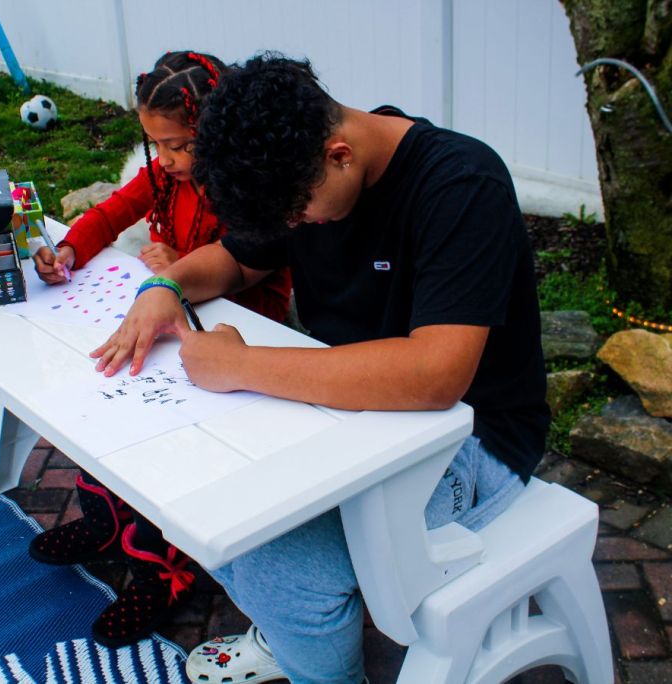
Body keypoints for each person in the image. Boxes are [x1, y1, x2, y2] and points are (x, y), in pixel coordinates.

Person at [90, 54, 549, 683]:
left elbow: (436, 376)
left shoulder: (461, 185)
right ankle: (297, 638)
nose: (296, 228)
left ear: (340, 154)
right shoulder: (296, 165)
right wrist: (164, 288)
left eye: (300, 216)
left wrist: (241, 365)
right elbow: (235, 259)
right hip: (353, 416)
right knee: (204, 506)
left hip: (475, 439)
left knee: (279, 566)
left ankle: (316, 663)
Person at [28, 51, 291, 650]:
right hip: (169, 319)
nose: (165, 159)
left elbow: (257, 276)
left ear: (217, 131)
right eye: (155, 144)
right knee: (105, 394)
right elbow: (113, 211)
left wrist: (183, 269)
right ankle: (106, 521)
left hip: (232, 334)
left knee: (172, 447)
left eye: (178, 145)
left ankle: (165, 568)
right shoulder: (163, 176)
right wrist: (70, 250)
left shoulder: (246, 188)